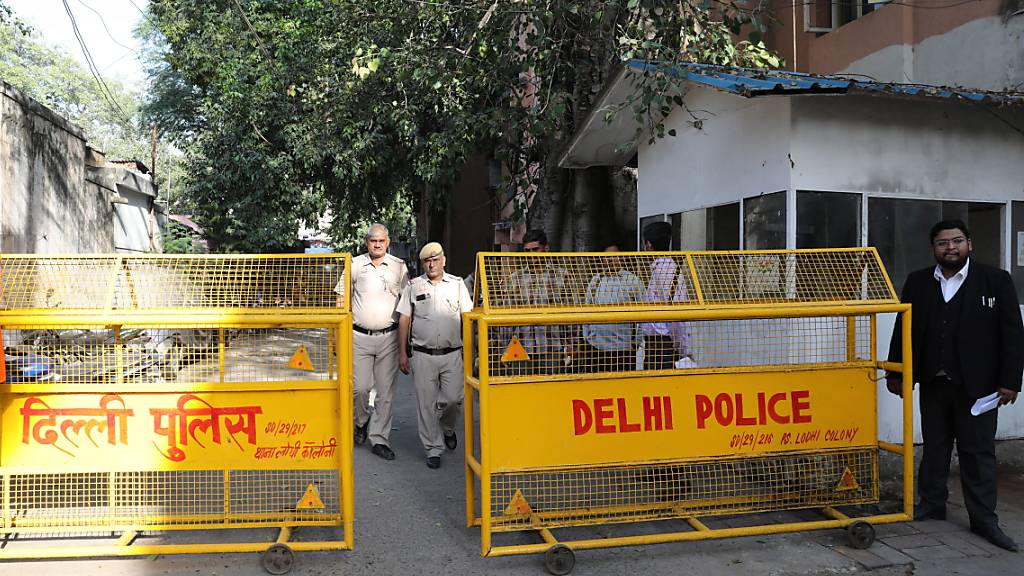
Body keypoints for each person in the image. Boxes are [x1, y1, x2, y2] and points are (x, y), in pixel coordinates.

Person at [886, 219, 1023, 552]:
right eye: (942, 243)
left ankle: (984, 520)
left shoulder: (995, 280)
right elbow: (903, 325)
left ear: (969, 244)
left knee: (977, 454)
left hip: (980, 387)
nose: (950, 248)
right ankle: (932, 504)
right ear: (933, 248)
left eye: (957, 241)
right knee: (934, 448)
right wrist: (897, 372)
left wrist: (1010, 381)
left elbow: (1012, 333)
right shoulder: (919, 282)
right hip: (934, 382)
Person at [335, 224, 409, 461]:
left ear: (387, 242)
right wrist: (337, 339)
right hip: (358, 337)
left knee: (385, 393)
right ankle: (361, 422)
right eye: (372, 241)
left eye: (381, 241)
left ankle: (379, 439)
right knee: (360, 388)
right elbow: (340, 300)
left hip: (389, 338)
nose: (377, 244)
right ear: (366, 242)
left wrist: (406, 345)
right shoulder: (354, 265)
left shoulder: (399, 267)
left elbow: (407, 306)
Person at [397, 242, 473, 469]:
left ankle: (447, 429)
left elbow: (468, 319)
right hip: (422, 354)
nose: (431, 264)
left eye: (435, 259)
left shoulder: (457, 285)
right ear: (423, 264)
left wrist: (471, 351)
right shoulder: (414, 286)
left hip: (452, 353)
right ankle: (433, 448)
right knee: (426, 404)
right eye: (427, 261)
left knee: (453, 399)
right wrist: (403, 353)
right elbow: (404, 320)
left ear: (444, 260)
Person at [502, 229, 579, 374]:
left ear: (546, 248)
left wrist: (571, 345)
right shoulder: (515, 278)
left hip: (551, 346)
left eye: (535, 249)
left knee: (550, 392)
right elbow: (505, 317)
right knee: (522, 392)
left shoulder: (562, 276)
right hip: (520, 347)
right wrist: (504, 348)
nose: (531, 255)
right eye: (527, 251)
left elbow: (572, 314)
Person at [582, 244, 644, 372]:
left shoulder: (632, 281)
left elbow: (643, 314)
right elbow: (586, 310)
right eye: (607, 257)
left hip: (623, 349)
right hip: (596, 348)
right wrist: (587, 336)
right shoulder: (596, 281)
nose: (610, 260)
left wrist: (636, 341)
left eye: (614, 256)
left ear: (621, 257)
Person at [640, 222, 690, 370]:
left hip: (663, 346)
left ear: (649, 245)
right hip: (659, 344)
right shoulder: (662, 269)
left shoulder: (665, 270)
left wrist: (681, 349)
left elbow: (677, 314)